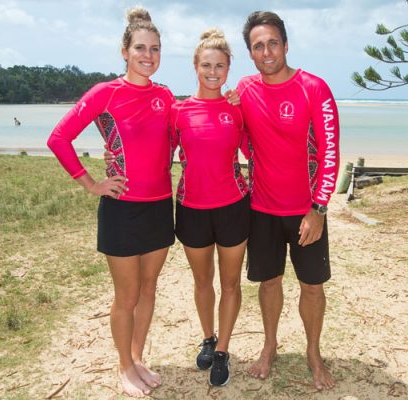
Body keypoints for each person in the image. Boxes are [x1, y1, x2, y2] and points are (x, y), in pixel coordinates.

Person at [47, 6, 173, 398]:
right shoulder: (106, 93)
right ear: (124, 51)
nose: (148, 55)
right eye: (140, 48)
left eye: (154, 49)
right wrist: (91, 183)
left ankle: (136, 358)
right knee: (128, 295)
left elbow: (182, 136)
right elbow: (58, 138)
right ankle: (123, 367)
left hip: (160, 207)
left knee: (149, 290)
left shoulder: (166, 96)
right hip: (122, 209)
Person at [237, 11, 340, 390]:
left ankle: (313, 353)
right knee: (269, 283)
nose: (266, 52)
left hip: (305, 213)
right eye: (258, 46)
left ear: (285, 45)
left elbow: (330, 152)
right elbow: (239, 134)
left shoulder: (314, 88)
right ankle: (270, 346)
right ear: (251, 52)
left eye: (272, 43)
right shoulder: (245, 89)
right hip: (262, 210)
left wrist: (319, 209)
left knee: (312, 287)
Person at [170, 28, 249, 387]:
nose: (213, 72)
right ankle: (208, 338)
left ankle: (223, 352)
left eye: (219, 66)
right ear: (195, 66)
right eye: (206, 65)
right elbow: (153, 150)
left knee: (230, 283)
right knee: (203, 282)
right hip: (191, 209)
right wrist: (114, 160)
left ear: (228, 68)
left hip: (233, 207)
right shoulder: (178, 111)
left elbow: (257, 148)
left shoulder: (237, 109)